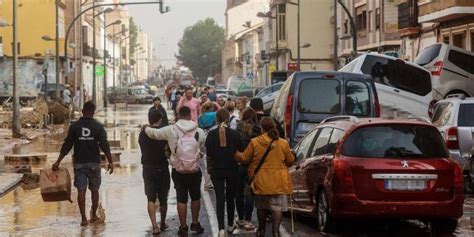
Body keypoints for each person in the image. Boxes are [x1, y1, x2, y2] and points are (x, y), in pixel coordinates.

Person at [144, 106, 206, 236]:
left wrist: (145, 127)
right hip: (194, 170)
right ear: (190, 116)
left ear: (178, 115)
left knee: (181, 198)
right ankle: (195, 223)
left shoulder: (170, 130)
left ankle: (183, 227)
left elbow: (154, 134)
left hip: (178, 170)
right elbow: (203, 148)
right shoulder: (199, 131)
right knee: (195, 197)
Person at [52, 101, 114, 226]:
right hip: (94, 163)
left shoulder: (75, 126)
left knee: (81, 190)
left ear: (82, 110)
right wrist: (110, 161)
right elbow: (104, 144)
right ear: (94, 111)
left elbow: (67, 144)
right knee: (95, 190)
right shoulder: (98, 126)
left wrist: (58, 161)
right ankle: (94, 216)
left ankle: (84, 219)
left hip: (79, 163)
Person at [235, 117, 295, 237]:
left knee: (261, 207)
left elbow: (245, 158)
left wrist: (235, 153)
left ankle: (261, 230)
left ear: (261, 128)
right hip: (279, 181)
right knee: (277, 207)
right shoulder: (283, 143)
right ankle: (275, 231)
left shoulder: (255, 142)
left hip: (261, 180)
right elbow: (290, 161)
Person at [205, 109, 242, 236]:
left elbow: (208, 154)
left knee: (219, 198)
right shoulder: (235, 134)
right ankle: (230, 224)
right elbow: (241, 150)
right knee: (231, 197)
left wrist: (209, 169)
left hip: (216, 170)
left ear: (217, 119)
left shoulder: (211, 134)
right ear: (228, 119)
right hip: (232, 169)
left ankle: (221, 228)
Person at [139, 110, 170, 235]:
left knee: (150, 198)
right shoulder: (163, 133)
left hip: (147, 168)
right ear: (160, 120)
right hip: (162, 167)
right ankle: (162, 222)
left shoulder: (142, 134)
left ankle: (154, 226)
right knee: (163, 198)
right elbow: (169, 151)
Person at [235, 108, 261, 230]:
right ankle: (248, 220)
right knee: (249, 193)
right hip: (253, 165)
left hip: (239, 164)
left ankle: (240, 218)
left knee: (239, 192)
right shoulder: (258, 129)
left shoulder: (238, 127)